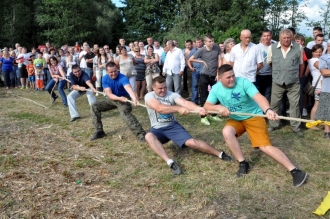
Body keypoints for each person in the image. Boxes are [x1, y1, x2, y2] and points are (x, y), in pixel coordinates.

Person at [204, 64, 307, 187]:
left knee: (264, 147)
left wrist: (268, 110)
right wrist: (218, 107)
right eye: (228, 77)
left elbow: (258, 97)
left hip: (254, 116)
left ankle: (295, 171)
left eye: (233, 76)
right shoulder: (216, 89)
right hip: (236, 119)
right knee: (227, 132)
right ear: (219, 78)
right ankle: (243, 163)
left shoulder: (243, 82)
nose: (232, 79)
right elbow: (207, 106)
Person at [144, 76, 233, 175]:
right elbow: (159, 108)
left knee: (192, 143)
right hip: (157, 129)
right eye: (160, 88)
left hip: (172, 126)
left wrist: (197, 109)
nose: (163, 90)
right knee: (149, 136)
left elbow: (185, 102)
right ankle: (170, 162)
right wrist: (178, 109)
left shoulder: (171, 94)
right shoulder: (149, 96)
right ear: (153, 88)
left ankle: (220, 154)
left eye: (165, 87)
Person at [90, 62, 146, 141]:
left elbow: (129, 88)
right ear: (107, 71)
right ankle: (99, 131)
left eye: (115, 71)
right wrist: (118, 98)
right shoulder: (105, 78)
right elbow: (109, 94)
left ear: (117, 69)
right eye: (111, 72)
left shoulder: (123, 78)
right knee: (94, 106)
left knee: (125, 113)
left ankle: (141, 135)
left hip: (124, 99)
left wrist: (134, 98)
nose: (114, 73)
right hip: (113, 98)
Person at [267, 29, 304, 136]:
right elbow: (269, 63)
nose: (287, 40)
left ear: (292, 37)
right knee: (274, 104)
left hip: (293, 82)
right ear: (279, 38)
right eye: (284, 38)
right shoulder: (272, 48)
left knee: (295, 105)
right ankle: (273, 125)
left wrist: (299, 76)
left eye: (289, 38)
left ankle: (296, 127)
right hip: (277, 82)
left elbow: (301, 64)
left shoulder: (298, 47)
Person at [188, 34, 222, 126]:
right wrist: (202, 61)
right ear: (205, 42)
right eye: (210, 41)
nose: (212, 43)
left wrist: (218, 74)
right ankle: (203, 117)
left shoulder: (217, 48)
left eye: (213, 41)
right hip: (204, 75)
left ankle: (214, 114)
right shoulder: (202, 50)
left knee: (215, 95)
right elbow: (191, 59)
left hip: (214, 75)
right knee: (203, 95)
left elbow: (219, 60)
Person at [315, 41, 330, 139]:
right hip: (328, 88)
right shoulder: (324, 58)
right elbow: (324, 72)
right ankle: (327, 131)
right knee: (327, 111)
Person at [256, 30, 273, 101]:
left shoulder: (274, 47)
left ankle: (265, 111)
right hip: (258, 75)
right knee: (258, 95)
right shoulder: (256, 47)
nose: (266, 37)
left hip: (269, 74)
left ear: (271, 36)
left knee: (267, 95)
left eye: (268, 36)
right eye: (264, 36)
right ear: (262, 37)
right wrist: (255, 70)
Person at [308, 44, 323, 123]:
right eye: (316, 52)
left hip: (319, 85)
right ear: (313, 52)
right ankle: (312, 122)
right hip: (319, 86)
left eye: (320, 52)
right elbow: (323, 69)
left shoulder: (311, 60)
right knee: (316, 105)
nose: (318, 53)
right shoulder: (315, 61)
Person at [187, 37, 204, 105]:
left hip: (203, 71)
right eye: (197, 42)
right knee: (194, 86)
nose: (199, 43)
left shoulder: (205, 49)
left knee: (203, 86)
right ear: (195, 43)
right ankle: (194, 101)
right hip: (195, 70)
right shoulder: (193, 51)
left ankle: (202, 100)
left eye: (200, 42)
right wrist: (191, 67)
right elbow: (189, 60)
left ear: (202, 42)